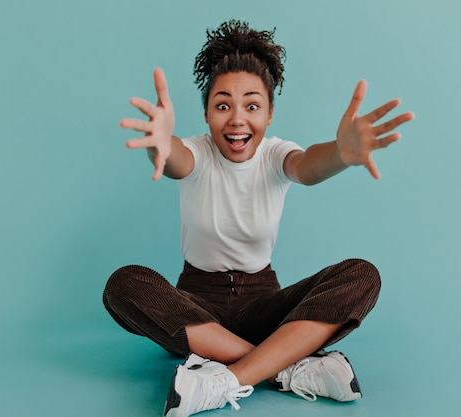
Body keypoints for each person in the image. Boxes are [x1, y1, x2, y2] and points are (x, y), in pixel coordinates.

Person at [103, 19, 414, 417]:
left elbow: (307, 167)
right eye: (222, 105)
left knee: (362, 274)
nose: (236, 119)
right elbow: (176, 161)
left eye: (252, 105)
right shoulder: (197, 151)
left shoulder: (275, 154)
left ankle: (224, 381)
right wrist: (159, 146)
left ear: (269, 115)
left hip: (264, 304)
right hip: (198, 310)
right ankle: (286, 367)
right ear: (205, 113)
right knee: (123, 284)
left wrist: (341, 152)